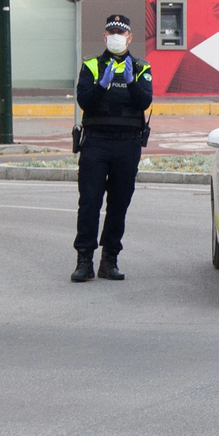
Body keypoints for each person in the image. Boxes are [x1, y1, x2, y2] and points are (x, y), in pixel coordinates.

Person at [72, 16, 153, 282]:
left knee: (119, 204)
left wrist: (130, 81)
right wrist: (101, 85)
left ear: (129, 38)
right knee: (90, 203)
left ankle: (110, 260)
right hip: (96, 142)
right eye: (112, 31)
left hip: (127, 144)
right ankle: (84, 260)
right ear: (104, 36)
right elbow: (84, 100)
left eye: (121, 32)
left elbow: (144, 101)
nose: (116, 36)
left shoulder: (141, 67)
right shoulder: (92, 65)